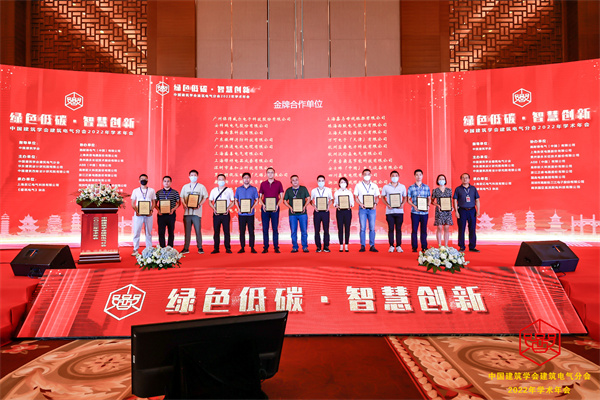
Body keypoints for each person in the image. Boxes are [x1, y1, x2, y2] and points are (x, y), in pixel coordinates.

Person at [180, 169, 208, 254]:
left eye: (195, 175)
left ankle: (200, 247)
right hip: (187, 212)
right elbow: (182, 197)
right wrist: (184, 204)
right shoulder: (185, 187)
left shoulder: (201, 187)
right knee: (187, 232)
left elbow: (205, 197)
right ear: (189, 176)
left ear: (197, 176)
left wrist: (199, 204)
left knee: (198, 231)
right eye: (191, 175)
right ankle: (186, 248)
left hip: (197, 212)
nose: (193, 177)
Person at [258, 167, 284, 253]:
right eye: (268, 172)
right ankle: (265, 247)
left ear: (274, 173)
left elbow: (281, 197)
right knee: (265, 229)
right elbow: (260, 197)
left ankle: (276, 247)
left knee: (275, 228)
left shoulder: (278, 183)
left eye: (272, 172)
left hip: (275, 209)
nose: (270, 174)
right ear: (266, 174)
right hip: (265, 209)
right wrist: (263, 205)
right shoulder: (263, 184)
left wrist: (277, 205)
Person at [354, 168, 380, 252]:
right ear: (362, 175)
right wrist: (361, 204)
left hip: (372, 209)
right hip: (363, 209)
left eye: (368, 174)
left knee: (372, 228)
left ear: (371, 175)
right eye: (365, 174)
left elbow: (377, 197)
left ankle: (372, 245)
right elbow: (355, 197)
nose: (367, 176)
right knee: (362, 228)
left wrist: (375, 204)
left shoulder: (374, 185)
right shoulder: (358, 185)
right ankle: (362, 245)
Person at [453, 172, 481, 252]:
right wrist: (456, 211)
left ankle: (472, 246)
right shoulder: (458, 189)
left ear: (469, 179)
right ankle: (462, 246)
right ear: (461, 179)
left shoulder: (473, 188)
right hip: (462, 210)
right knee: (461, 229)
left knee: (472, 228)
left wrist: (478, 210)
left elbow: (477, 200)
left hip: (472, 210)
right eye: (463, 178)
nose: (465, 179)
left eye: (466, 178)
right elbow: (455, 200)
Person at [283, 175, 310, 253]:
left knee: (304, 231)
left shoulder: (303, 189)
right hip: (292, 214)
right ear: (291, 182)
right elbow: (284, 201)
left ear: (298, 180)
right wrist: (290, 207)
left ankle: (305, 247)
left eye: (296, 180)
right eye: (293, 180)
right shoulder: (288, 190)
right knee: (293, 231)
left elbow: (308, 198)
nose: (295, 181)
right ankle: (295, 247)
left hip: (303, 213)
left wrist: (304, 206)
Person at [381, 170, 407, 252]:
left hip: (399, 211)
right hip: (390, 212)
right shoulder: (386, 187)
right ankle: (391, 245)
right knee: (391, 229)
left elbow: (405, 197)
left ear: (398, 177)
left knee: (399, 229)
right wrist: (387, 204)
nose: (394, 177)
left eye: (396, 175)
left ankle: (399, 246)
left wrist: (402, 204)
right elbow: (382, 197)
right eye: (393, 175)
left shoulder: (402, 187)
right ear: (390, 177)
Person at [208, 174, 235, 254]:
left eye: (222, 179)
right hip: (216, 214)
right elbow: (210, 201)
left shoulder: (229, 190)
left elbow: (233, 201)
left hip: (226, 214)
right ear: (217, 180)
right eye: (219, 179)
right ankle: (216, 248)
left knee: (226, 231)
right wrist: (214, 209)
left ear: (225, 180)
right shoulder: (213, 190)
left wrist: (228, 208)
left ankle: (228, 248)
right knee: (216, 232)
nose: (221, 181)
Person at [131, 174, 156, 256]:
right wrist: (136, 211)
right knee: (136, 232)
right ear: (139, 180)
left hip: (149, 214)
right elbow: (132, 203)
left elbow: (154, 202)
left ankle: (149, 249)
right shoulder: (135, 190)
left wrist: (151, 210)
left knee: (148, 232)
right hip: (138, 214)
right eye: (142, 179)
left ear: (147, 180)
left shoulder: (152, 190)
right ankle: (135, 249)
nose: (143, 180)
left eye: (145, 179)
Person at [407, 169, 431, 253]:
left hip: (424, 212)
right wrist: (414, 206)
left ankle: (424, 246)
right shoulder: (411, 187)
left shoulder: (426, 187)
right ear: (414, 176)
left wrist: (428, 206)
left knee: (424, 230)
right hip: (415, 212)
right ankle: (414, 247)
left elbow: (429, 198)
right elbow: (408, 200)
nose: (418, 176)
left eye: (420, 174)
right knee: (414, 230)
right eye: (417, 175)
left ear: (422, 176)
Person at [235, 172, 259, 254]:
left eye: (248, 178)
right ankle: (242, 247)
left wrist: (252, 208)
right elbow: (236, 200)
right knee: (242, 231)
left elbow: (257, 200)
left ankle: (252, 247)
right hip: (241, 214)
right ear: (242, 179)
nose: (246, 179)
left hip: (250, 214)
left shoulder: (253, 189)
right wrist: (239, 209)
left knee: (251, 231)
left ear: (250, 179)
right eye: (245, 178)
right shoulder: (239, 189)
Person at [310, 175, 333, 253]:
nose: (321, 182)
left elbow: (331, 199)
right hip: (317, 212)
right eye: (319, 181)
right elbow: (310, 201)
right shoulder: (314, 190)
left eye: (322, 180)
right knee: (317, 230)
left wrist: (328, 206)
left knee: (326, 230)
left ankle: (326, 246)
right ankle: (318, 247)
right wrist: (314, 206)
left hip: (325, 212)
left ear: (324, 181)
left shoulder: (328, 190)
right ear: (317, 182)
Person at [155, 175, 180, 248]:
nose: (166, 183)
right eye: (165, 181)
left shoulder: (175, 192)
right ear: (162, 182)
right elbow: (154, 203)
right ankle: (162, 247)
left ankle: (170, 248)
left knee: (171, 232)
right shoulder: (158, 192)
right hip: (161, 215)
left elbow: (179, 203)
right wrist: (158, 210)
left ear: (171, 182)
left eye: (168, 181)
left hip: (171, 214)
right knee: (161, 232)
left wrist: (173, 209)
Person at [431, 174, 453, 247]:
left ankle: (446, 245)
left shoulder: (449, 190)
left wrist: (451, 207)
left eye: (443, 179)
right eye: (440, 179)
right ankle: (440, 245)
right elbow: (432, 201)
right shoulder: (435, 190)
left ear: (445, 180)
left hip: (447, 211)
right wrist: (437, 205)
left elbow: (450, 201)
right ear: (437, 181)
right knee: (439, 227)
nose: (441, 180)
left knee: (446, 228)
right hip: (439, 211)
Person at [334, 177, 354, 252]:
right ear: (339, 184)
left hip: (347, 211)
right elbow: (335, 203)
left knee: (347, 228)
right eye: (341, 182)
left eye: (344, 182)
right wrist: (336, 205)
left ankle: (346, 245)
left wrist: (349, 205)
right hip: (339, 211)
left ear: (346, 183)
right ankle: (341, 245)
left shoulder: (349, 192)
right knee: (340, 228)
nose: (343, 184)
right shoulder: (336, 192)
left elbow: (352, 203)